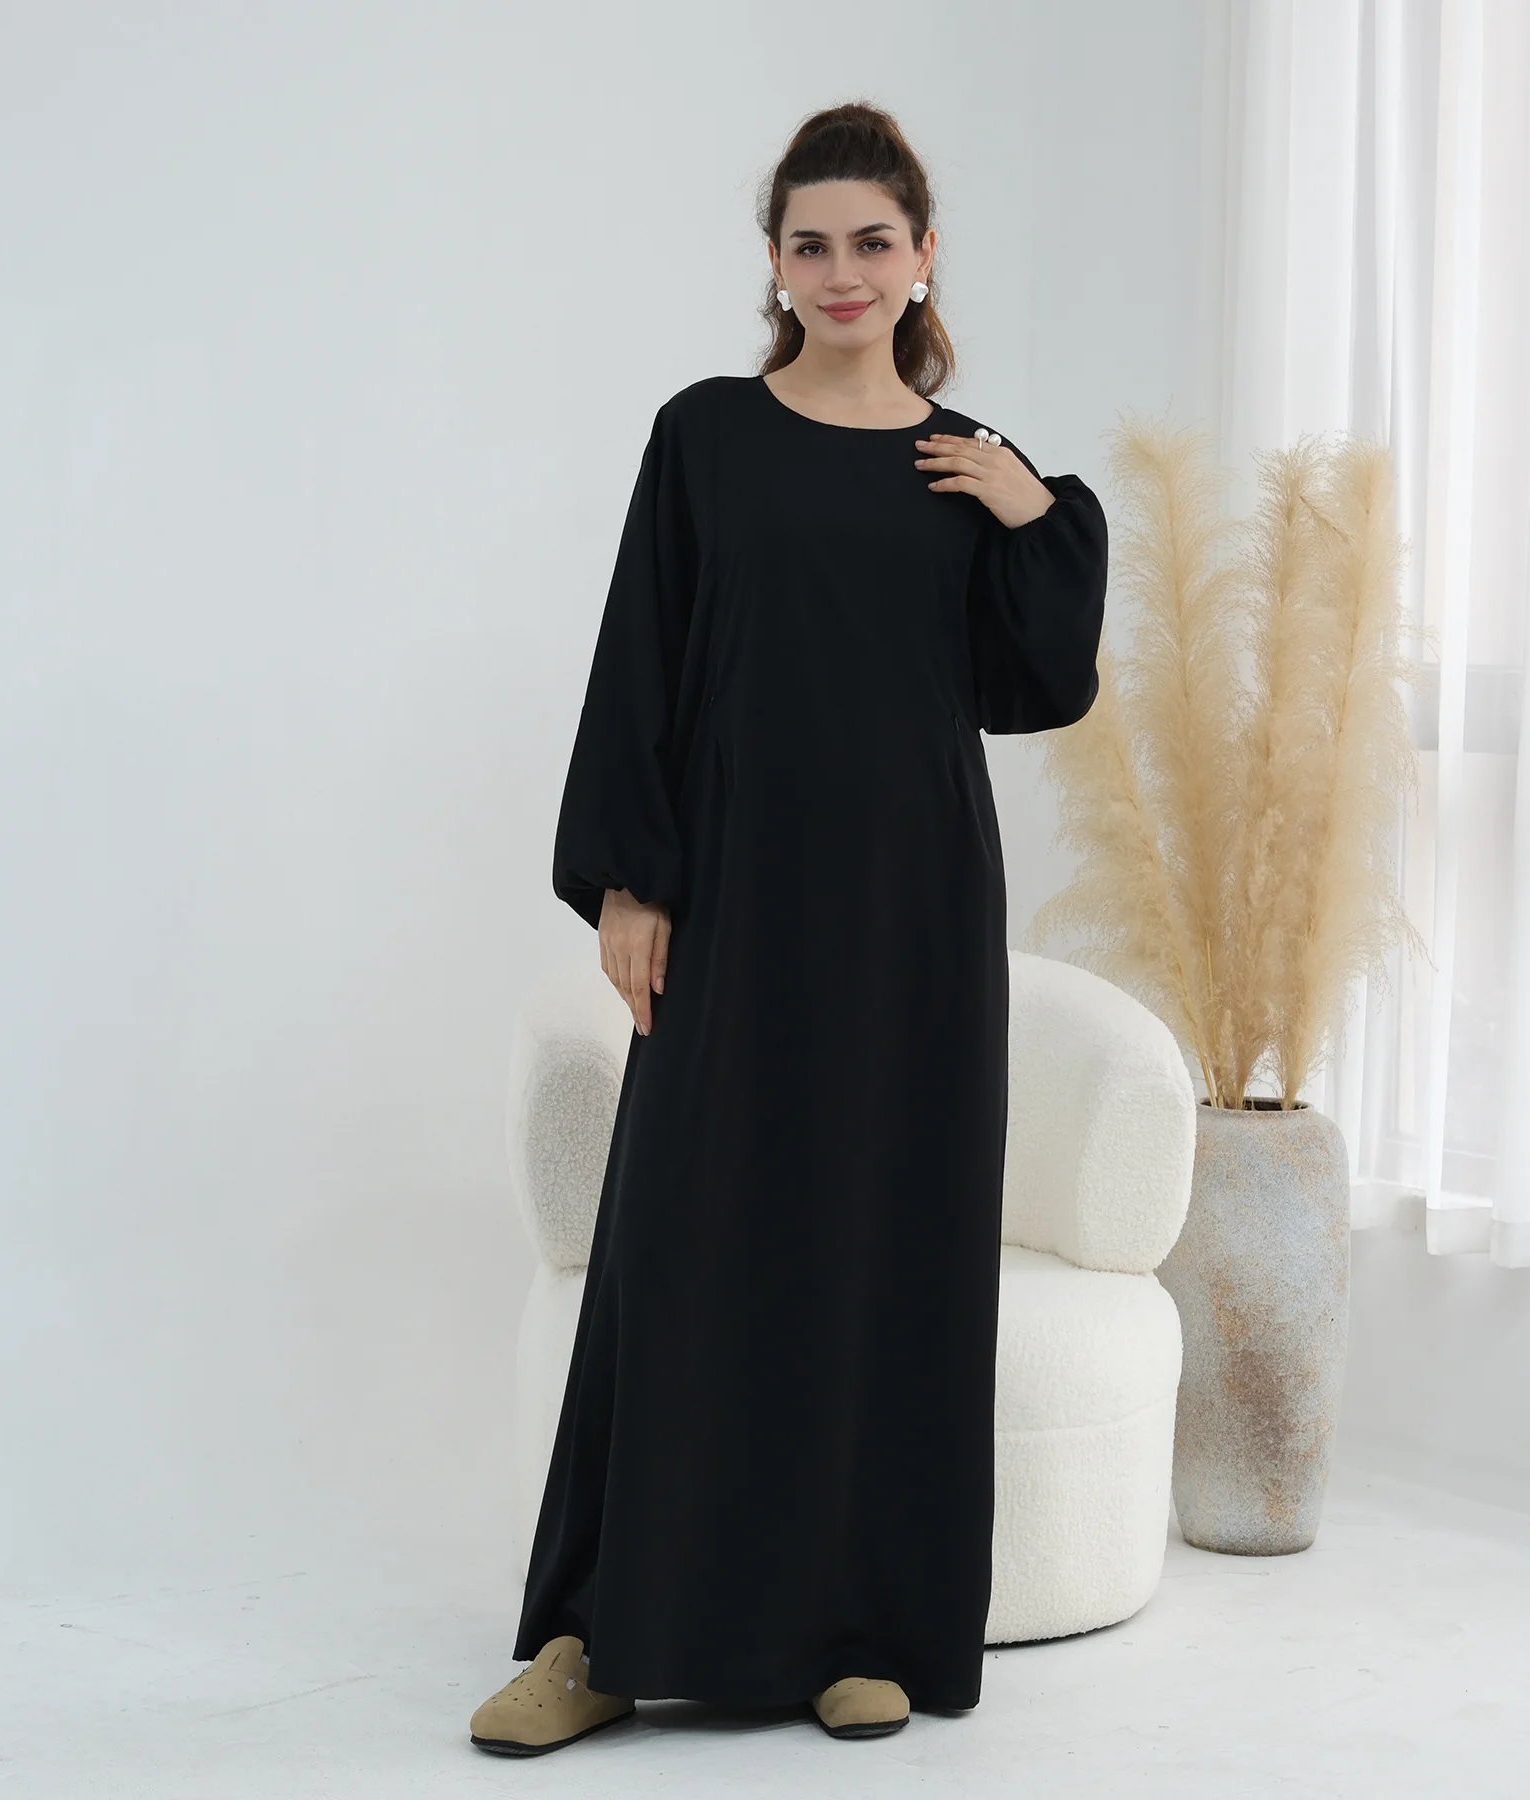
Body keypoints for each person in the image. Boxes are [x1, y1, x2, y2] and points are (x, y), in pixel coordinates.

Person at [469, 100, 1108, 1758]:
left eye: (872, 242)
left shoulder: (963, 466)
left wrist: (1038, 513)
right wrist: (631, 879)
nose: (842, 272)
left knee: (886, 1246)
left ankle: (862, 1628)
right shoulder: (705, 438)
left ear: (923, 256)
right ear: (773, 262)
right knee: (684, 1243)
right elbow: (642, 655)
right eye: (810, 244)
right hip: (737, 897)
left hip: (915, 914)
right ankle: (601, 1636)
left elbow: (1035, 688)